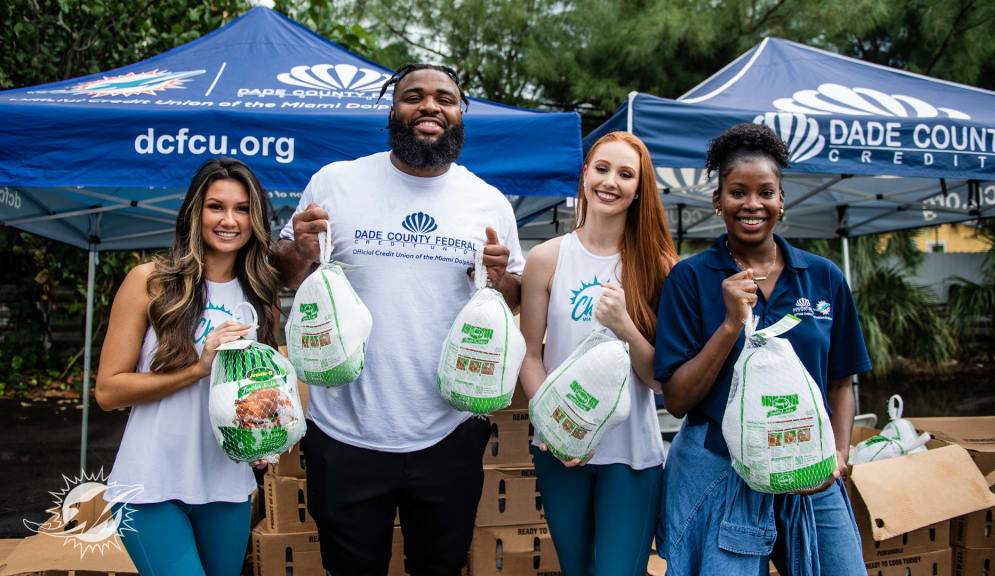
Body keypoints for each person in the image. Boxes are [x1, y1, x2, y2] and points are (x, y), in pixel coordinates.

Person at [274, 63, 524, 576]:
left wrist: (501, 279)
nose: (429, 106)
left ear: (460, 114)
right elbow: (287, 274)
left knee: (441, 567)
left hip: (449, 429)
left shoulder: (489, 202)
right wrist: (297, 249)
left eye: (444, 99)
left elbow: (513, 296)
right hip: (344, 429)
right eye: (414, 96)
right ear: (393, 110)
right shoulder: (336, 183)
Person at [653, 123, 872, 576]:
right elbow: (677, 400)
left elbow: (841, 380)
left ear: (781, 200)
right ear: (718, 202)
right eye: (737, 192)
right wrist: (731, 324)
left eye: (766, 192)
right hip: (722, 468)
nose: (752, 204)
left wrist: (840, 453)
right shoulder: (690, 280)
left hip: (810, 467)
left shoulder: (822, 275)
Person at [96, 157, 280, 576]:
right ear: (194, 212)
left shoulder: (262, 293)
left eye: (242, 208)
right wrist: (197, 369)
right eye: (216, 206)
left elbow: (256, 390)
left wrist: (263, 437)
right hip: (150, 483)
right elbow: (108, 391)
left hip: (226, 485)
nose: (229, 220)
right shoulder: (150, 281)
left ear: (256, 218)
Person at [519, 131, 677, 575]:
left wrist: (624, 326)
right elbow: (530, 356)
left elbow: (661, 380)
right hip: (559, 447)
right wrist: (551, 426)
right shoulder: (547, 258)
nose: (611, 181)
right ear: (585, 173)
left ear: (639, 188)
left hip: (631, 456)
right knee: (576, 569)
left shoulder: (660, 266)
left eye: (626, 174)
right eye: (602, 168)